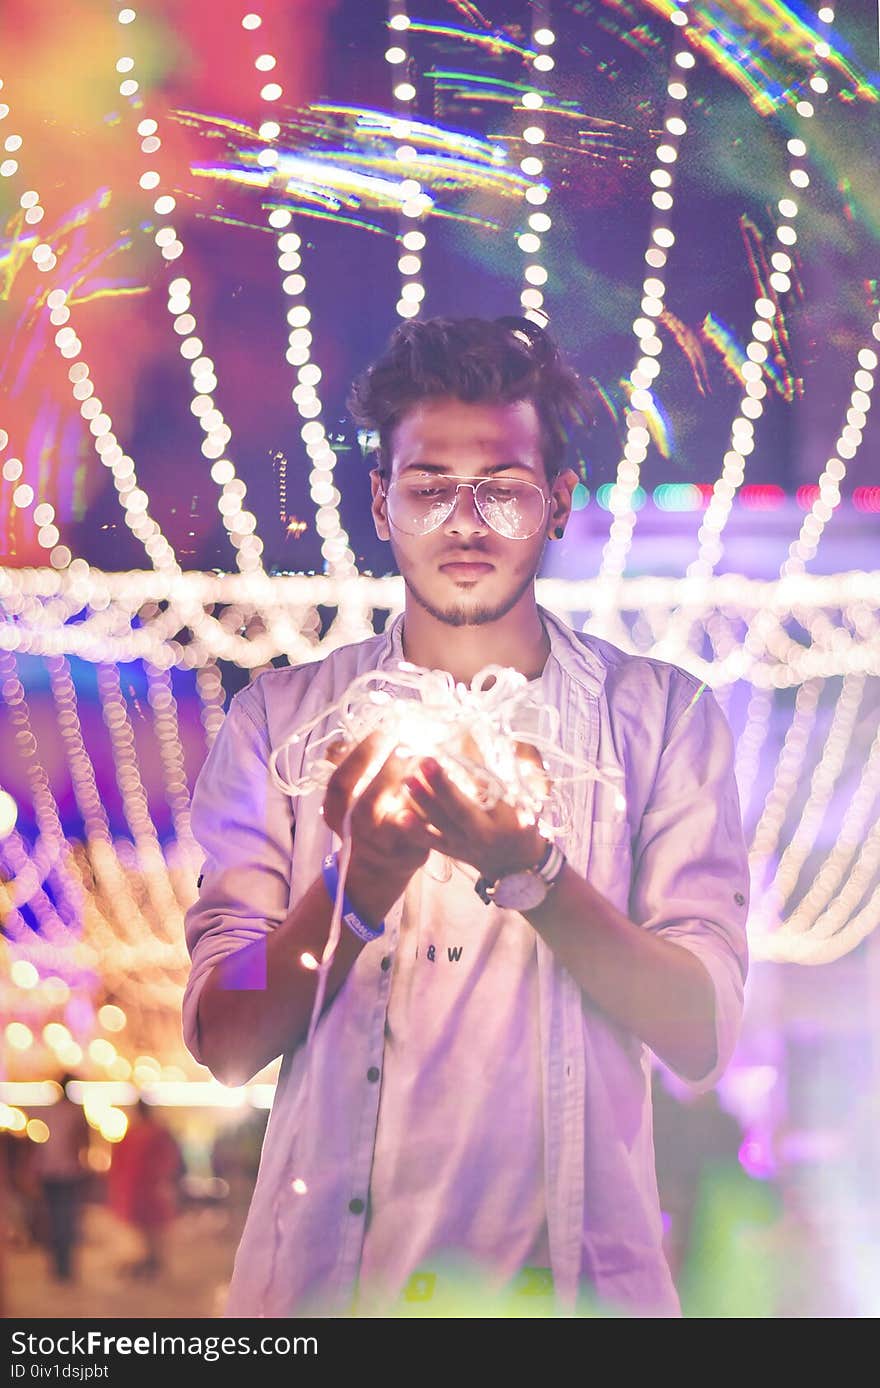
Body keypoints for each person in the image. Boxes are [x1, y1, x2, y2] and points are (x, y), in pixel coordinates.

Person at [183, 315, 749, 1317]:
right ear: (381, 503)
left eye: (503, 487)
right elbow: (226, 1036)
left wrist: (532, 873)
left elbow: (699, 1028)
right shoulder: (280, 723)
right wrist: (354, 888)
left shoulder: (661, 719)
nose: (465, 521)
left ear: (560, 503)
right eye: (429, 487)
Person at [107, 1100, 182, 1278]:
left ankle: (150, 1260)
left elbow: (117, 1163)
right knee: (153, 1229)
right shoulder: (157, 1132)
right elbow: (170, 1160)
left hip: (136, 1188)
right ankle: (152, 1260)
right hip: (149, 1187)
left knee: (146, 1228)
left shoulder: (132, 1134)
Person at [33, 1073, 89, 1282]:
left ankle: (59, 1267)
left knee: (56, 1220)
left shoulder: (50, 1111)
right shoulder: (75, 1112)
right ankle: (63, 1267)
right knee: (66, 1220)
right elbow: (83, 1142)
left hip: (52, 1173)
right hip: (67, 1173)